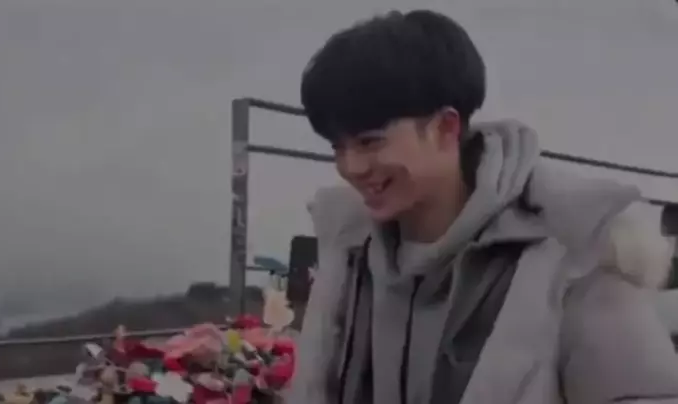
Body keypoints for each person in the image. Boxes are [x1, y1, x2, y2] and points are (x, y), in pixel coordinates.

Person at [286, 9, 678, 404]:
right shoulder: (351, 256)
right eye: (338, 147)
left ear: (446, 127)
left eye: (370, 142)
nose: (351, 167)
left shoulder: (571, 257)